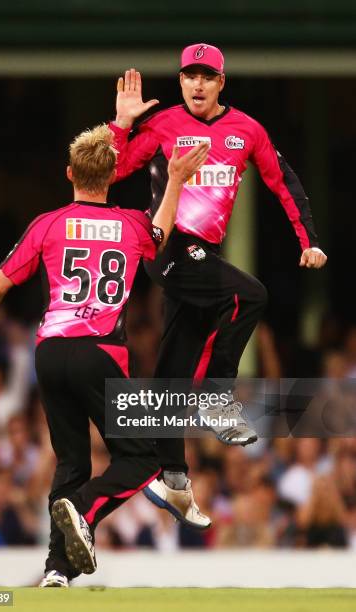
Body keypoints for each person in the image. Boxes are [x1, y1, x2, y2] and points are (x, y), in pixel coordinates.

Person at [0, 125, 209, 587]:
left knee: (71, 462)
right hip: (101, 353)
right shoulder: (132, 225)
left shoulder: (48, 224)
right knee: (144, 458)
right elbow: (161, 232)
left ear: (69, 173)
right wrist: (174, 180)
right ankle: (84, 511)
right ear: (114, 175)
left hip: (51, 353)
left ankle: (57, 570)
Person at [109, 43, 327, 524]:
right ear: (182, 80)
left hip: (201, 255)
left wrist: (307, 239)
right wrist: (121, 125)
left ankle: (174, 480)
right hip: (167, 245)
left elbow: (282, 181)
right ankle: (216, 394)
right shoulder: (162, 124)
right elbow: (113, 169)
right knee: (252, 295)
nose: (198, 84)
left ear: (221, 83)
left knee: (170, 375)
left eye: (208, 76)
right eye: (190, 76)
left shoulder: (246, 130)